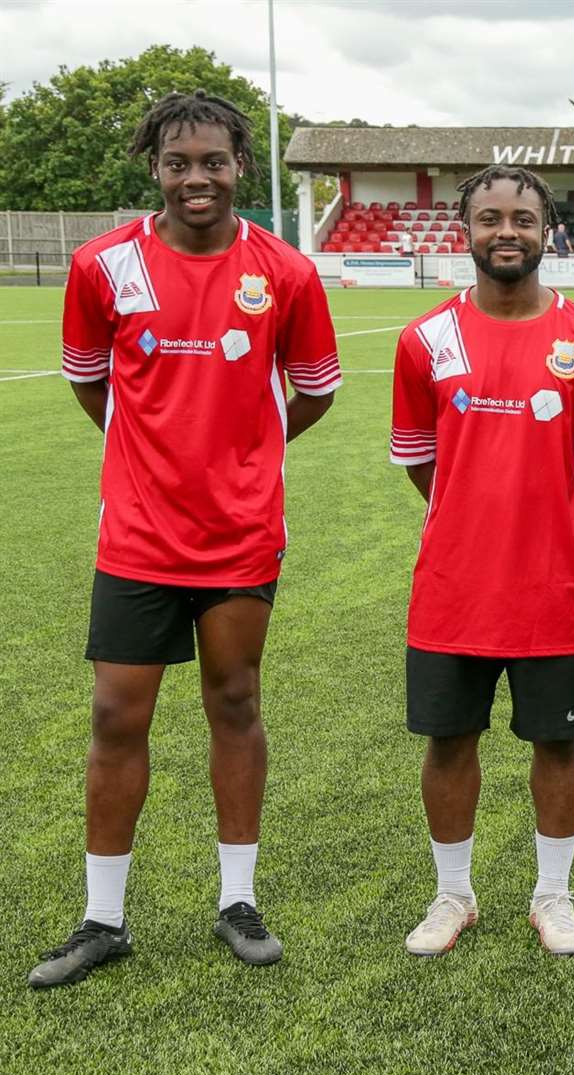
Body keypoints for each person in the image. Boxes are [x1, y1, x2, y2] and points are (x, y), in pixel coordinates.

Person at [30, 90, 341, 989]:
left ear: (241, 164)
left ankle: (237, 899)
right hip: (135, 535)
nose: (196, 178)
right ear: (155, 170)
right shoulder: (103, 264)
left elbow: (314, 391)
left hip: (241, 534)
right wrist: (149, 455)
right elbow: (93, 384)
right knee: (115, 716)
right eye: (178, 163)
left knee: (234, 701)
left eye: (213, 161)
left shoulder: (284, 271)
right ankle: (102, 919)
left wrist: (242, 455)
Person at [388, 165, 574, 958]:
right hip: (454, 586)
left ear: (546, 229)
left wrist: (546, 520)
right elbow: (421, 459)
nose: (506, 232)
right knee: (449, 741)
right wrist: (471, 510)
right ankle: (452, 895)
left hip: (555, 585)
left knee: (559, 744)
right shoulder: (425, 339)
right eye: (489, 218)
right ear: (466, 231)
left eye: (522, 218)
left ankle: (552, 897)